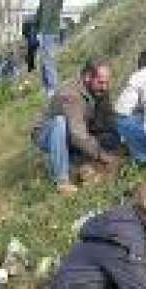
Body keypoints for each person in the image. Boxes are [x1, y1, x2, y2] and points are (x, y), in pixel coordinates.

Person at [33, 60, 121, 195]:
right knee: (60, 123)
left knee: (111, 137)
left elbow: (108, 119)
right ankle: (62, 180)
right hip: (48, 133)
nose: (104, 87)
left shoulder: (99, 91)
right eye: (100, 82)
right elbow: (77, 135)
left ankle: (81, 167)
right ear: (87, 77)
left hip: (76, 129)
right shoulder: (70, 94)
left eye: (107, 83)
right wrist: (101, 155)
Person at [36, 0, 64, 97]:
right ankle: (47, 87)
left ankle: (52, 88)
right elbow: (40, 14)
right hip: (50, 32)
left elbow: (45, 15)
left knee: (47, 61)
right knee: (44, 61)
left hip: (47, 33)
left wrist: (40, 32)